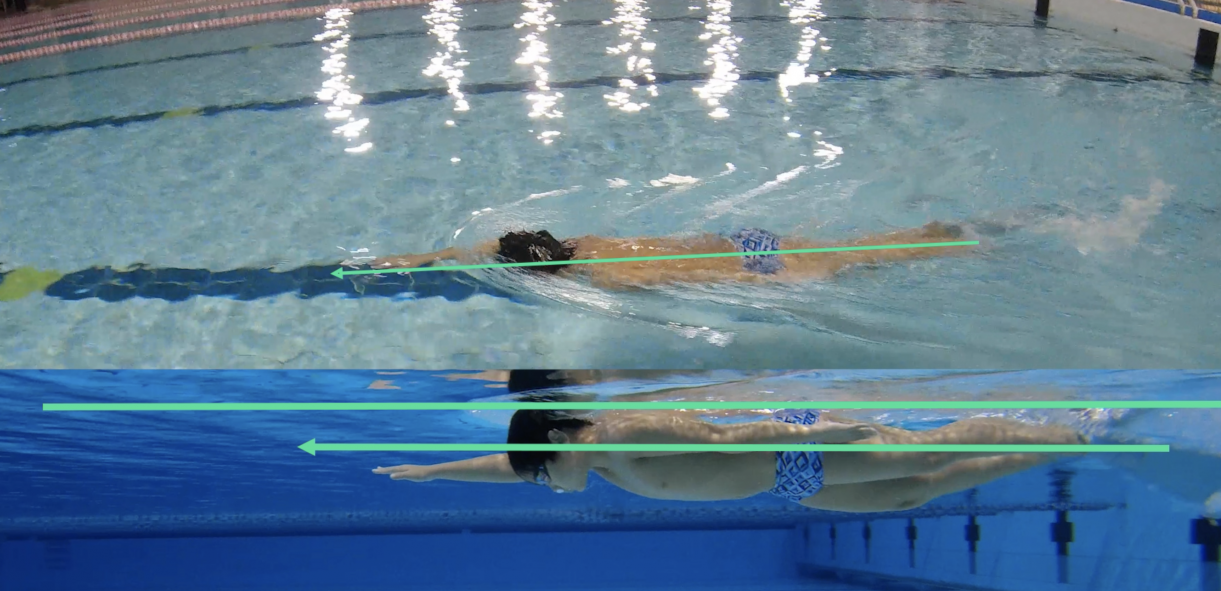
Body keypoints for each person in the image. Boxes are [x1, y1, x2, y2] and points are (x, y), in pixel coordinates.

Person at [373, 409, 1087, 513]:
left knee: (931, 452)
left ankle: (1072, 428)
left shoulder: (623, 437)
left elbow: (726, 435)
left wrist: (827, 431)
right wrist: (431, 472)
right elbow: (505, 465)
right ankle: (1063, 438)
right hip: (782, 481)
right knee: (912, 493)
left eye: (540, 474)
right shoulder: (588, 459)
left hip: (791, 453)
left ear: (557, 447)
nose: (543, 485)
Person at [345, 222, 973, 288]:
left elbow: (690, 280)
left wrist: (770, 285)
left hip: (753, 270)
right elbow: (477, 248)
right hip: (745, 242)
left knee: (867, 260)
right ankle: (948, 232)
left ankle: (959, 243)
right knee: (863, 247)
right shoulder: (586, 242)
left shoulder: (605, 279)